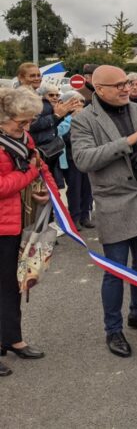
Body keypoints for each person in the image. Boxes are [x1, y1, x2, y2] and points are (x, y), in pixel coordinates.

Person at [71, 66, 137, 358]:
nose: (125, 88)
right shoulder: (84, 120)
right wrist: (127, 142)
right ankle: (113, 330)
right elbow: (83, 159)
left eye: (126, 83)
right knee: (115, 272)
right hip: (114, 204)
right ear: (98, 89)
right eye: (117, 85)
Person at [0, 87, 54, 377]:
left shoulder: (22, 138)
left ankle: (11, 338)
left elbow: (39, 165)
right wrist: (30, 174)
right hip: (4, 224)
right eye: (21, 122)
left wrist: (45, 189)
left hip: (17, 224)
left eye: (29, 121)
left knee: (11, 285)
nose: (26, 127)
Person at [56, 91, 95, 229]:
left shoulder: (89, 117)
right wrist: (72, 119)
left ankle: (86, 216)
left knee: (88, 188)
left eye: (81, 102)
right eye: (75, 101)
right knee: (75, 188)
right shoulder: (63, 118)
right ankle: (75, 217)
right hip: (71, 158)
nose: (79, 104)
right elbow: (63, 137)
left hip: (88, 156)